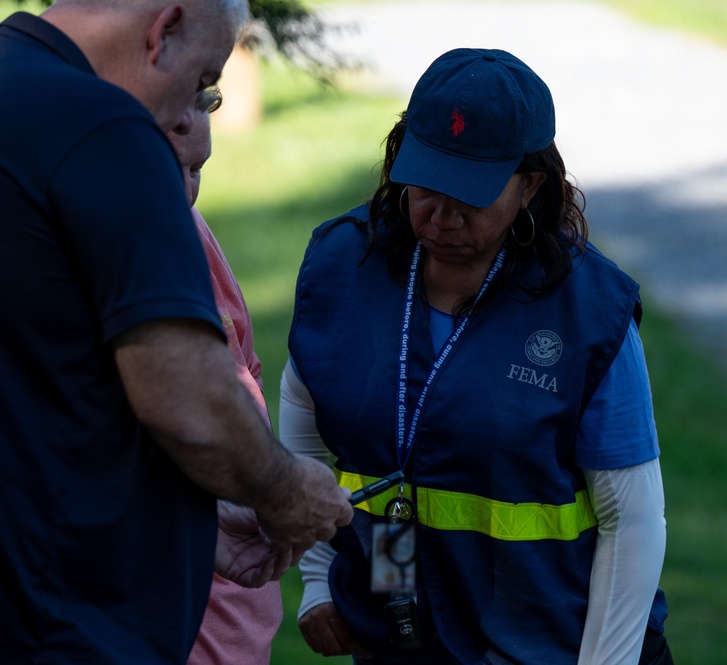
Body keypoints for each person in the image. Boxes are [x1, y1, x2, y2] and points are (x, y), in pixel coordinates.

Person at [0, 1, 353, 663]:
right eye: (199, 83)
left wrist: (189, 520)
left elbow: (2, 402)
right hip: (40, 635)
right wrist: (283, 488)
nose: (190, 119)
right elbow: (187, 396)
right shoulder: (105, 125)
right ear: (163, 30)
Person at [279, 47, 671, 665]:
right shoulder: (343, 268)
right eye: (425, 184)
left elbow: (635, 519)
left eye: (470, 194)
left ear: (531, 186)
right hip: (402, 640)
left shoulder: (589, 313)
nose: (441, 215)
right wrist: (320, 580)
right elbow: (319, 445)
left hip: (558, 646)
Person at [168, 88, 284, 665]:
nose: (185, 191)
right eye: (172, 168)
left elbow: (249, 372)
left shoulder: (187, 229)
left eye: (198, 171)